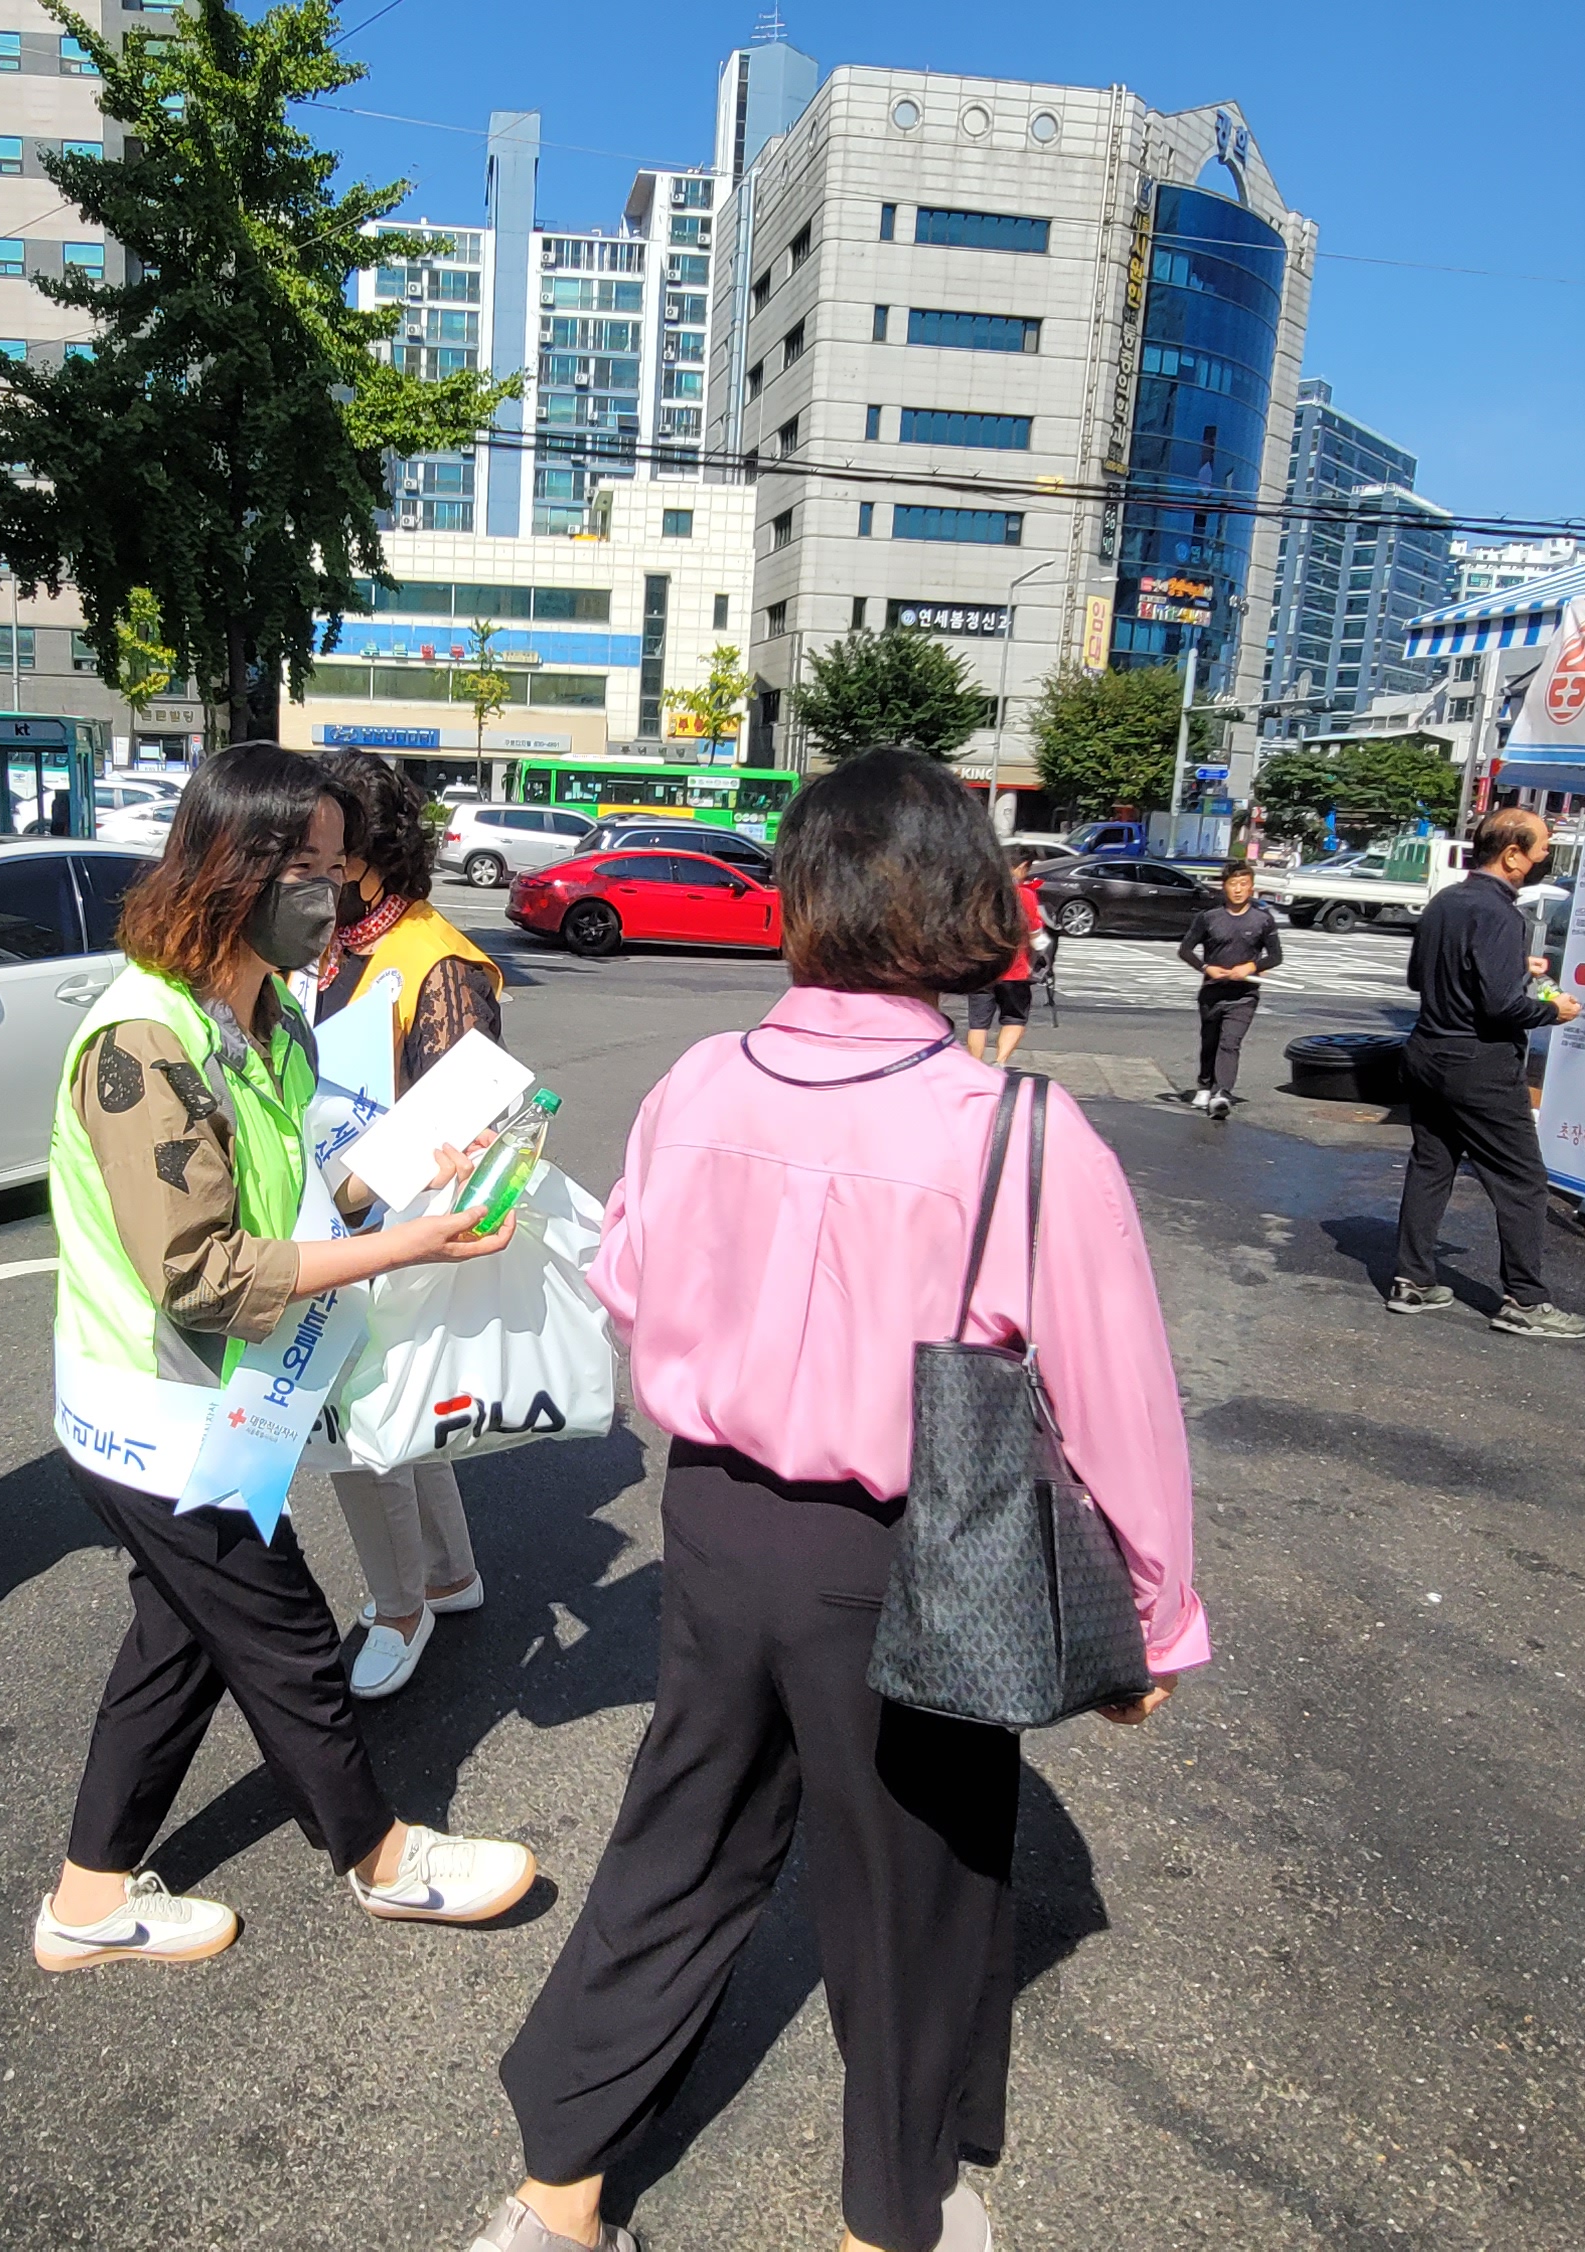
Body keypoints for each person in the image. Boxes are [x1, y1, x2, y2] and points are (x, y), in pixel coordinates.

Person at [466, 752, 1204, 2252]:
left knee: (681, 1835)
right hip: (912, 1547)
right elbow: (1121, 1405)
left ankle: (560, 2196)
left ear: (797, 896)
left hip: (719, 1516)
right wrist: (1150, 1624)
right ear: (967, 903)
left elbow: (627, 1283)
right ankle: (892, 2214)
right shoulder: (1018, 1130)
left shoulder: (698, 1081)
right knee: (912, 1878)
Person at [34, 743, 541, 1971]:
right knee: (288, 1641)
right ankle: (380, 1857)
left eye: (339, 865)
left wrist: (411, 1173)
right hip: (158, 1412)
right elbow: (201, 1269)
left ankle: (86, 1900)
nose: (335, 893)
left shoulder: (260, 1017)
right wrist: (404, 1245)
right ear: (234, 868)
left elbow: (299, 1194)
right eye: (307, 869)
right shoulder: (140, 1045)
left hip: (213, 1403)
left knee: (178, 1644)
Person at [310, 750, 505, 1700]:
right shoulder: (333, 943)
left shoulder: (435, 959)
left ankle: (398, 1606)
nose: (304, 869)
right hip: (336, 1212)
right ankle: (449, 1574)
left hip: (388, 1231)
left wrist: (360, 1192)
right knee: (399, 1412)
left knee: (361, 1432)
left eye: (322, 851)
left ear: (371, 852)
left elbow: (471, 1118)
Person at [1389, 808, 1585, 1340]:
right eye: (1542, 847)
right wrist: (1556, 1011)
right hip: (1479, 1062)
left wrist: (1509, 967)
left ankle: (1411, 1280)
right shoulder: (1503, 914)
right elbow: (1503, 1008)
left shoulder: (1444, 901)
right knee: (1522, 1180)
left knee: (1431, 1164)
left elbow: (1422, 974)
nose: (1546, 856)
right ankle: (1525, 1301)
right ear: (1511, 854)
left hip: (1426, 1050)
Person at [1175, 859, 1285, 1119]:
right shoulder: (1209, 918)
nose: (1238, 889)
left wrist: (1252, 967)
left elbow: (1276, 956)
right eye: (1233, 884)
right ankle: (1204, 1085)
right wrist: (1205, 968)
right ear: (1224, 887)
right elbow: (1185, 950)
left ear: (1252, 888)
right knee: (1210, 1041)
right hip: (1212, 991)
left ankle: (1222, 1093)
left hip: (1244, 995)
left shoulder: (1263, 920)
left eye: (1244, 884)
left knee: (1230, 1043)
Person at [959, 850, 1045, 1067]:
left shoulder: (980, 894)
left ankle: (975, 1065)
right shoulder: (1024, 895)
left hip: (983, 968)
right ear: (1021, 866)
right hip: (1015, 969)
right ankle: (1000, 1062)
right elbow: (1036, 933)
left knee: (978, 1023)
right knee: (1014, 1018)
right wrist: (1041, 948)